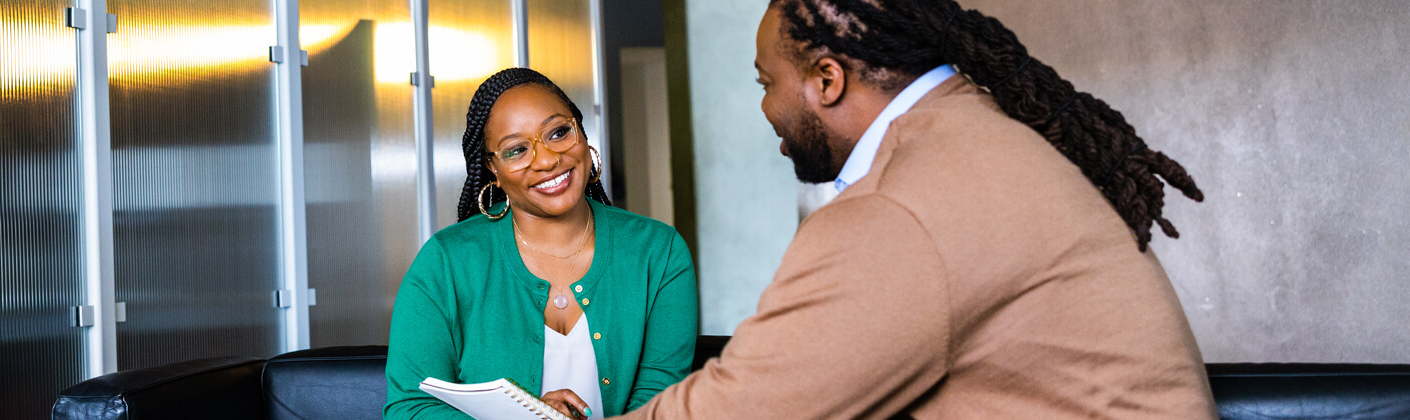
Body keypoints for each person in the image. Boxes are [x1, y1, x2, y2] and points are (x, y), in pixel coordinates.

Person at [617, 0, 1214, 418]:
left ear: (827, 79)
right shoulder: (973, 136)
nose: (766, 106)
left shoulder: (899, 205)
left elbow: (745, 410)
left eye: (764, 83)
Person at [385, 68, 698, 420]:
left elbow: (660, 399)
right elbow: (409, 409)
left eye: (559, 132)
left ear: (581, 132)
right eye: (516, 150)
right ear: (493, 170)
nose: (547, 160)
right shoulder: (445, 262)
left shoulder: (658, 252)